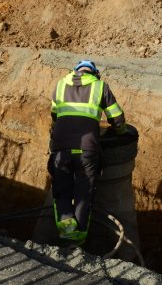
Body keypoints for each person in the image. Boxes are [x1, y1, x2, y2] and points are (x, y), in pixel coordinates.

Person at [48, 60, 126, 243]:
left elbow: (54, 116)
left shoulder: (60, 85)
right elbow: (117, 118)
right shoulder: (100, 87)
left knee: (62, 190)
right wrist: (121, 132)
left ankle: (67, 231)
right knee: (84, 193)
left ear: (74, 71)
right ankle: (78, 241)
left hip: (60, 148)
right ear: (95, 73)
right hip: (87, 150)